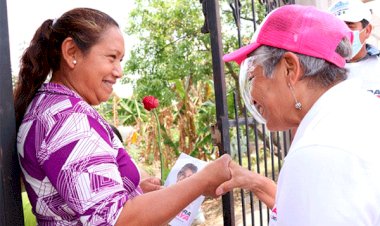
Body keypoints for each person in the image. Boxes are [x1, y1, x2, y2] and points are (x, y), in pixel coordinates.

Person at [14, 8, 231, 225]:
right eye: (112, 58)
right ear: (71, 52)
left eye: (120, 60)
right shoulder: (66, 121)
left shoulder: (51, 109)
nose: (119, 71)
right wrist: (202, 181)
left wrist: (133, 192)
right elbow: (117, 221)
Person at [217, 4, 380, 226]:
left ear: (289, 69)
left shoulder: (319, 152)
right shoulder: (356, 112)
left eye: (254, 77)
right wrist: (255, 182)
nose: (252, 96)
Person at [329, 0, 380, 98]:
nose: (342, 32)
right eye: (336, 26)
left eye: (349, 25)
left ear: (367, 30)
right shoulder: (318, 69)